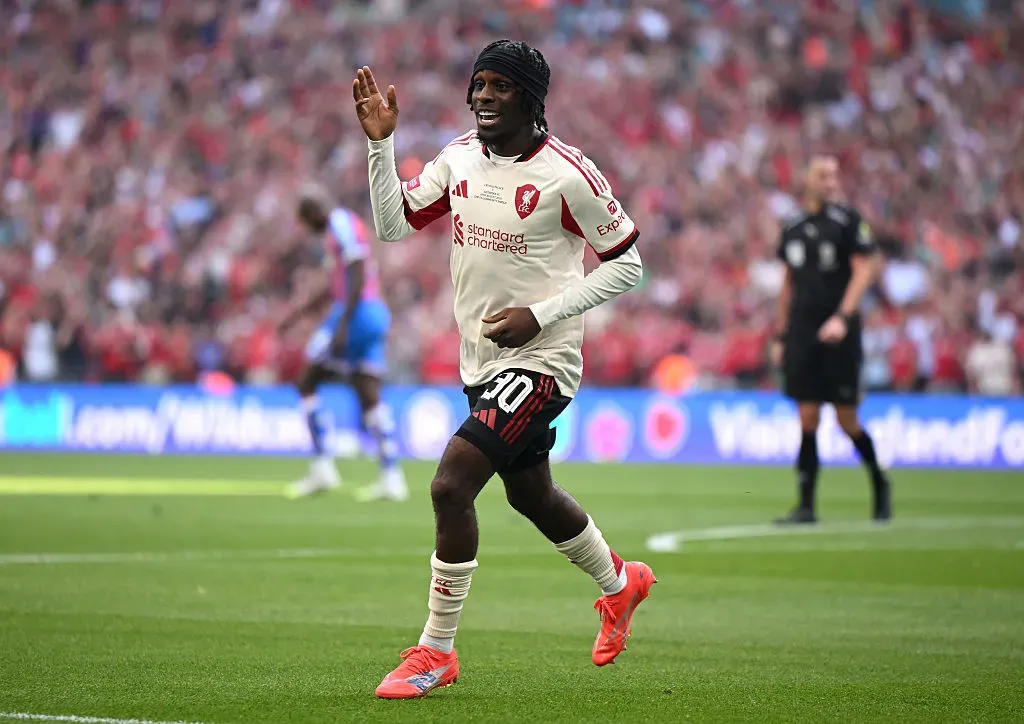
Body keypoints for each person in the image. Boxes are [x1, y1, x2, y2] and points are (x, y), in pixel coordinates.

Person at [353, 40, 656, 699]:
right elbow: (394, 225)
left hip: (542, 360)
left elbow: (627, 263)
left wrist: (542, 314)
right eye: (478, 83)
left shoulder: (568, 174)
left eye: (500, 86)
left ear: (530, 97)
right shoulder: (459, 158)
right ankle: (620, 582)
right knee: (530, 494)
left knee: (449, 485)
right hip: (482, 359)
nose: (484, 95)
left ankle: (435, 652)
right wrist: (381, 145)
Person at [771, 154, 893, 525]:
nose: (830, 182)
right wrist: (781, 333)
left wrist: (842, 317)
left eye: (834, 175)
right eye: (823, 175)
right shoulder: (791, 226)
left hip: (840, 332)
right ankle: (806, 504)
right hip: (803, 332)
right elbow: (788, 283)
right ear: (806, 179)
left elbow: (864, 270)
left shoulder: (848, 222)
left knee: (845, 418)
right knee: (807, 414)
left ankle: (879, 481)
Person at [283, 190, 408, 502]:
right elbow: (337, 281)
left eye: (303, 222)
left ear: (311, 213)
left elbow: (356, 270)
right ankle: (392, 476)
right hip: (373, 311)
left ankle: (323, 466)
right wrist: (299, 313)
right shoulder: (342, 228)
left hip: (357, 313)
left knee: (307, 381)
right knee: (368, 394)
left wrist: (343, 324)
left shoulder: (339, 223)